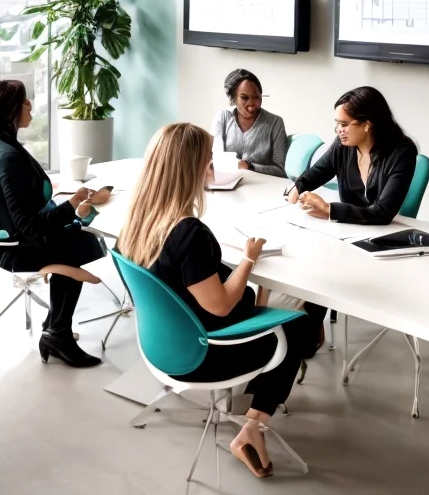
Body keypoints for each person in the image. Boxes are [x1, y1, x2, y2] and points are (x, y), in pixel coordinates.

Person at [118, 123, 307, 479]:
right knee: (296, 326)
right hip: (204, 355)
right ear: (189, 169)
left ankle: (251, 407)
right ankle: (252, 429)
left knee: (265, 307)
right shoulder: (187, 231)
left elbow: (178, 274)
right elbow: (219, 306)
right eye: (207, 162)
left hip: (161, 349)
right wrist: (250, 258)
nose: (212, 170)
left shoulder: (138, 221)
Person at [0, 79, 110, 368]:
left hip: (10, 236)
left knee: (79, 238)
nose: (29, 105)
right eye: (24, 101)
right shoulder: (8, 159)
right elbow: (30, 227)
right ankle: (58, 333)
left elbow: (22, 201)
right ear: (12, 111)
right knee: (80, 244)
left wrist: (61, 198)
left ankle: (55, 325)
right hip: (15, 248)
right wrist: (73, 203)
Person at [286, 86, 418, 356]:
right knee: (308, 261)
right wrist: (297, 188)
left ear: (367, 124)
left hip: (380, 242)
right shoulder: (343, 146)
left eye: (345, 124)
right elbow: (315, 173)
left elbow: (383, 212)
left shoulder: (402, 152)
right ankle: (299, 333)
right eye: (337, 124)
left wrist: (331, 210)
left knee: (323, 269)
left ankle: (304, 335)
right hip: (344, 235)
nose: (339, 131)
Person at [211, 68, 288, 177]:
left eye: (257, 97)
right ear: (233, 99)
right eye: (244, 98)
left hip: (263, 186)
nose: (252, 103)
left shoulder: (275, 123)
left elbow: (281, 170)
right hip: (226, 183)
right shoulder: (223, 118)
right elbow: (217, 159)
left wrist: (250, 166)